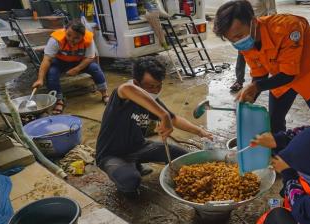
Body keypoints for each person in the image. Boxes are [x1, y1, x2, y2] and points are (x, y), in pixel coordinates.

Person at [214, 0, 310, 134]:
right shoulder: (246, 42)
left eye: (239, 36)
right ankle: (278, 151)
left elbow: (289, 74)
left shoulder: (288, 27)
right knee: (274, 122)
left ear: (254, 22)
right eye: (232, 40)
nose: (237, 42)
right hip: (280, 75)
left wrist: (256, 87)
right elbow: (260, 74)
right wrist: (250, 96)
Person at [95, 57, 212, 198]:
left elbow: (174, 118)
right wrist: (164, 116)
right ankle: (129, 169)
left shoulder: (153, 102)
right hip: (112, 154)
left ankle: (135, 163)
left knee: (185, 157)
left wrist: (200, 131)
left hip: (139, 147)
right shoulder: (123, 94)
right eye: (150, 86)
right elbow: (127, 88)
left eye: (159, 85)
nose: (156, 90)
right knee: (130, 181)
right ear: (137, 83)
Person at [32, 20, 108, 114]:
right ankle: (59, 101)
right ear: (65, 31)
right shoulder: (56, 39)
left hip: (80, 61)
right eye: (68, 35)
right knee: (51, 73)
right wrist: (40, 79)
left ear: (82, 36)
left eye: (76, 38)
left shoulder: (88, 38)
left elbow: (89, 57)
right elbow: (47, 59)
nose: (71, 39)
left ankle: (104, 94)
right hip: (60, 61)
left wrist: (77, 69)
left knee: (95, 68)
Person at [230, 0, 277, 93]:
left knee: (265, 58)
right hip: (244, 31)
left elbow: (272, 12)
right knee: (241, 55)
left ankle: (275, 78)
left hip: (260, 31)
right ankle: (239, 81)